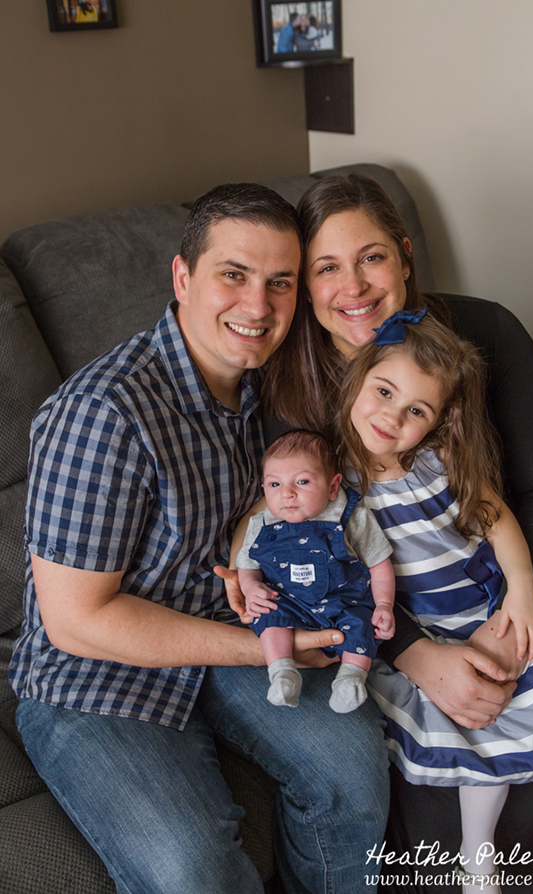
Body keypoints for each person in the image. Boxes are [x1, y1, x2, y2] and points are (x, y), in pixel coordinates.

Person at [9, 182, 389, 894]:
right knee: (190, 868)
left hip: (224, 626)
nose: (258, 307)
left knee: (354, 773)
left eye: (280, 283)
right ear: (182, 278)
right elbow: (75, 620)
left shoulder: (265, 387)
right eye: (234, 276)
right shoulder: (104, 415)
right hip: (93, 677)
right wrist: (267, 646)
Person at [231, 171, 533, 893]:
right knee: (438, 838)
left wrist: (513, 620)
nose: (353, 285)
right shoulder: (289, 390)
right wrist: (421, 655)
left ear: (405, 254)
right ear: (305, 286)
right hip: (386, 625)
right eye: (327, 267)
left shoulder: (483, 332)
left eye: (372, 257)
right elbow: (305, 552)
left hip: (502, 593)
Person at [328, 308, 533, 894]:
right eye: (383, 391)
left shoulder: (440, 462)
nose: (391, 417)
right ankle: (479, 863)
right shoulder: (334, 488)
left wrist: (524, 592)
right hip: (431, 628)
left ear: (437, 422)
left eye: (415, 411)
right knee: (470, 722)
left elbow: (497, 518)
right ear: (358, 379)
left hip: (493, 602)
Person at [238, 428, 395, 713]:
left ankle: (351, 678)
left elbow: (379, 564)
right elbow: (246, 565)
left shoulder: (352, 517)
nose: (287, 493)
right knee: (268, 617)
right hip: (289, 602)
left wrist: (384, 604)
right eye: (274, 485)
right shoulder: (261, 524)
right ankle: (282, 672)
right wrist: (250, 587)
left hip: (345, 602)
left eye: (302, 481)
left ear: (333, 487)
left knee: (363, 625)